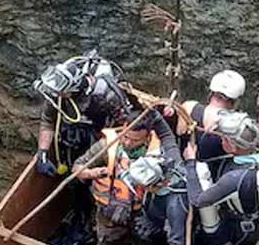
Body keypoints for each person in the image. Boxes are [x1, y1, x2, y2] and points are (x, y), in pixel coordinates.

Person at [33, 51, 181, 177]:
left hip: (101, 139)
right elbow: (48, 121)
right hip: (72, 139)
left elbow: (126, 126)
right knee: (75, 174)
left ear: (74, 87)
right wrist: (43, 153)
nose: (58, 95)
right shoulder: (57, 94)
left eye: (62, 93)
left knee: (94, 178)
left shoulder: (107, 95)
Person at [183, 111, 259, 245]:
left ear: (232, 145)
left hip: (242, 231)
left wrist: (190, 163)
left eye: (224, 139)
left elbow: (198, 200)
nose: (221, 141)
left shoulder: (234, 178)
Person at [71, 113, 161, 245]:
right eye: (126, 136)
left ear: (147, 138)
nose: (127, 142)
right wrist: (92, 173)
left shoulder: (158, 155)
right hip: (109, 211)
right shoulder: (107, 146)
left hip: (141, 214)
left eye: (135, 140)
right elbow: (77, 167)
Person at [177, 70, 259, 171]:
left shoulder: (188, 107)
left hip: (185, 169)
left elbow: (178, 133)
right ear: (235, 101)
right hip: (215, 179)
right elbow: (258, 141)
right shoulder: (234, 126)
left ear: (211, 92)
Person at [122, 155, 191, 245]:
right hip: (155, 225)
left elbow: (177, 244)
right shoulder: (154, 188)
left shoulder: (176, 204)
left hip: (174, 234)